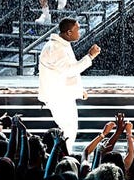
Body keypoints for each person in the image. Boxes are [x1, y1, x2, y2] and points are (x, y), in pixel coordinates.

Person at [38, 17, 101, 148]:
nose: (80, 32)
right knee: (68, 128)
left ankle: (63, 155)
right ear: (68, 32)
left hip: (62, 95)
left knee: (69, 128)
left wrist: (78, 90)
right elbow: (69, 70)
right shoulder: (56, 48)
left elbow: (66, 72)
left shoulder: (61, 45)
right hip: (58, 96)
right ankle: (62, 157)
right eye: (77, 29)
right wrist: (90, 56)